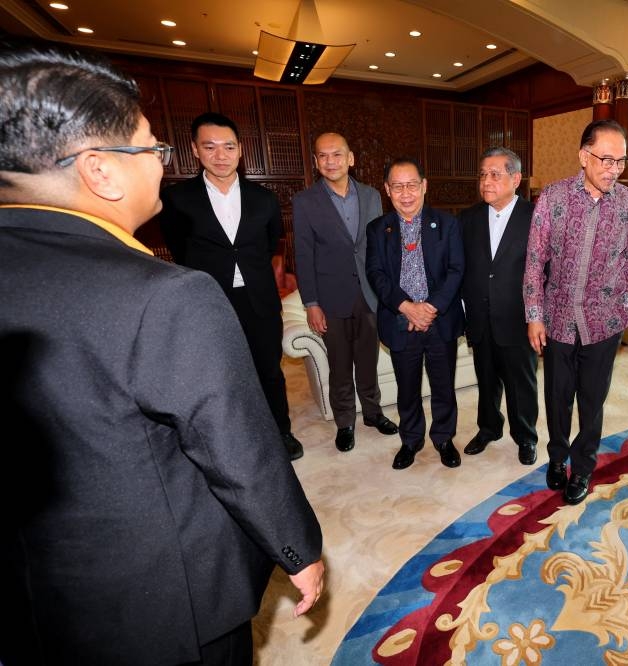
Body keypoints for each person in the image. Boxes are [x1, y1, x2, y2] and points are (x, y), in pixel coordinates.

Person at [0, 43, 324, 666]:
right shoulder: (166, 296)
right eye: (152, 146)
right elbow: (235, 448)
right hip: (164, 599)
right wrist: (297, 547)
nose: (160, 161)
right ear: (101, 169)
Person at [160, 112, 304, 460]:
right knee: (220, 375)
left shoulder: (264, 198)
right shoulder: (179, 199)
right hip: (209, 300)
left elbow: (271, 244)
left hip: (259, 299)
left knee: (269, 370)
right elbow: (178, 247)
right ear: (195, 150)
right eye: (210, 147)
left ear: (240, 150)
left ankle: (280, 430)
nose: (220, 155)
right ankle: (233, 437)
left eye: (228, 147)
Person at [523, 119, 628, 505]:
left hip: (603, 322)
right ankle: (557, 458)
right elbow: (534, 259)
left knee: (592, 402)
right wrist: (534, 313)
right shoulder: (554, 198)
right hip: (557, 318)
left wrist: (624, 310)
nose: (613, 169)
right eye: (605, 159)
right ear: (583, 156)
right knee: (557, 398)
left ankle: (584, 467)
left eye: (620, 161)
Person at [292, 132, 398, 452]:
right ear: (315, 162)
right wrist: (311, 303)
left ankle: (372, 413)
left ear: (350, 158)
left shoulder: (370, 196)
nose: (330, 161)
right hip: (330, 296)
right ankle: (345, 422)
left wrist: (386, 292)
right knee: (340, 365)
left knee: (368, 360)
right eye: (323, 156)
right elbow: (303, 255)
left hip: (368, 294)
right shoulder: (305, 201)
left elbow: (378, 247)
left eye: (337, 154)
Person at [366, 158, 465, 470]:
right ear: (387, 190)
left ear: (424, 186)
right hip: (400, 321)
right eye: (397, 186)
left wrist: (430, 308)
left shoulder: (447, 224)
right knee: (406, 387)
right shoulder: (378, 229)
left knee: (443, 386)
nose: (405, 192)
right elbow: (376, 273)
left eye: (412, 185)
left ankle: (444, 438)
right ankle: (411, 440)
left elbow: (456, 269)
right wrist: (408, 307)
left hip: (439, 319)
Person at [460, 147, 538, 465]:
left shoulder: (535, 217)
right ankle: (489, 428)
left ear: (516, 179)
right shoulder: (468, 218)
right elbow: (462, 267)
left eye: (495, 174)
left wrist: (538, 317)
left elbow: (545, 271)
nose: (486, 181)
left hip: (518, 319)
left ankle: (526, 437)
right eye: (483, 174)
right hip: (480, 318)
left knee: (522, 384)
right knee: (487, 380)